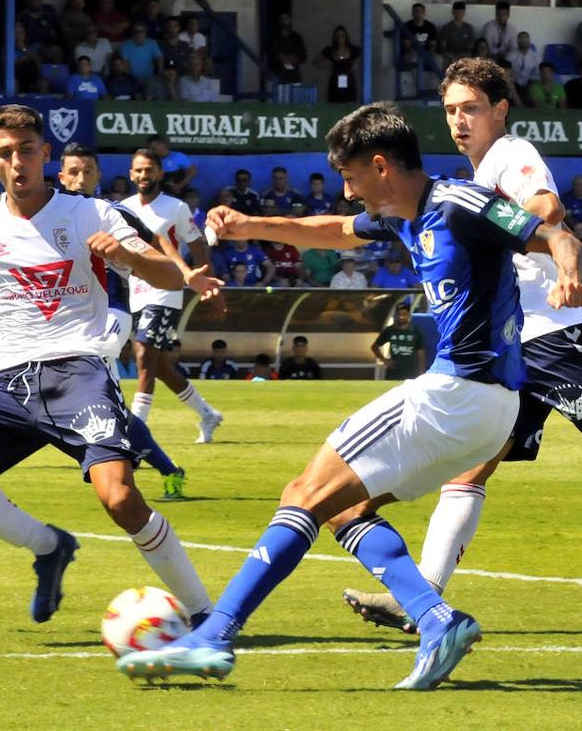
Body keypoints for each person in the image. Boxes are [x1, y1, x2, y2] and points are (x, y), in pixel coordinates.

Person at [115, 101, 582, 689]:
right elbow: (333, 231)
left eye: (352, 176)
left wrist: (568, 269)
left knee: (303, 492)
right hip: (485, 410)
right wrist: (249, 226)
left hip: (458, 394)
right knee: (343, 508)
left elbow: (552, 232)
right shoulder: (399, 215)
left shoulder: (458, 203)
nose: (347, 189)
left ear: (382, 166)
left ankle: (213, 637)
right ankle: (438, 622)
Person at [0, 103, 215, 627]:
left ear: (46, 154)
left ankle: (207, 615)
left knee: (120, 497)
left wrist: (128, 259)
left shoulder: (91, 214)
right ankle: (49, 546)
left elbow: (168, 274)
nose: (17, 163)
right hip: (13, 381)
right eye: (5, 154)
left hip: (80, 372)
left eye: (26, 150)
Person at [342, 58, 582, 635]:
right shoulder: (468, 178)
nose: (458, 120)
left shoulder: (511, 155)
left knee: (470, 468)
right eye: (450, 110)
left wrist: (508, 238)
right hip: (513, 349)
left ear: (500, 110)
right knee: (469, 471)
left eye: (470, 107)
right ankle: (422, 601)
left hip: (554, 338)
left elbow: (548, 209)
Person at [58, 142, 196, 501]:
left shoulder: (112, 213)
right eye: (73, 171)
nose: (80, 178)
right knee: (105, 405)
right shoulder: (50, 215)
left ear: (98, 176)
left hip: (113, 313)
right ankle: (166, 469)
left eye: (87, 171)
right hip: (69, 318)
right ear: (61, 175)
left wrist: (186, 273)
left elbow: (160, 243)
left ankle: (121, 466)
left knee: (98, 395)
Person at [122, 148, 224, 443]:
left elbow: (197, 245)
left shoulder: (176, 208)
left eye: (149, 169)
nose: (144, 175)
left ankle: (135, 434)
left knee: (143, 356)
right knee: (160, 366)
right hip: (136, 292)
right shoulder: (123, 208)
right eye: (138, 170)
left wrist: (208, 283)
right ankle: (208, 414)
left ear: (160, 173)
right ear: (131, 174)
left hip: (167, 290)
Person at [371, 302, 426, 380]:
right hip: (393, 372)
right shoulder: (390, 330)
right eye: (399, 314)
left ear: (409, 315)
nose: (401, 317)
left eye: (404, 314)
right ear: (395, 315)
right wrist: (385, 360)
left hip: (410, 372)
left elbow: (421, 356)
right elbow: (374, 347)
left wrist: (421, 375)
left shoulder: (416, 332)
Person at [313, 25, 361, 103]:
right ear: (335, 37)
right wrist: (328, 65)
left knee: (349, 102)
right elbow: (315, 61)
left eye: (342, 36)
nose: (340, 38)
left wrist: (356, 65)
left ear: (346, 37)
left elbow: (364, 56)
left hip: (349, 80)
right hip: (335, 81)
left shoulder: (352, 49)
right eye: (338, 36)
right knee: (334, 102)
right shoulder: (330, 50)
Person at [269, 12, 306, 83]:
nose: (284, 21)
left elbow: (303, 57)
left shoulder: (296, 37)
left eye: (286, 18)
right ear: (279, 20)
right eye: (282, 18)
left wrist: (292, 59)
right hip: (278, 74)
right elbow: (272, 55)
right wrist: (281, 58)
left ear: (290, 19)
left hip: (294, 75)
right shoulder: (274, 38)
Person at [438, 1, 475, 67]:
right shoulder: (446, 27)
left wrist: (460, 56)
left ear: (464, 13)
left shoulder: (469, 28)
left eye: (460, 12)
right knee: (445, 60)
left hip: (464, 54)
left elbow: (471, 45)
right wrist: (451, 56)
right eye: (456, 12)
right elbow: (442, 46)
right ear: (453, 12)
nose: (458, 14)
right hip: (450, 54)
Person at [508, 31, 540, 97]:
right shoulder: (510, 55)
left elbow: (537, 74)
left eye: (526, 38)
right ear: (517, 41)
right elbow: (506, 72)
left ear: (529, 41)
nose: (523, 41)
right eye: (521, 39)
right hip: (514, 84)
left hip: (529, 84)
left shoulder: (535, 56)